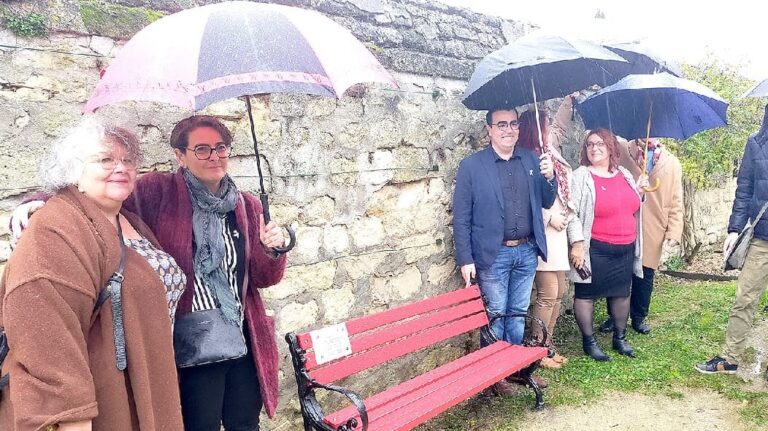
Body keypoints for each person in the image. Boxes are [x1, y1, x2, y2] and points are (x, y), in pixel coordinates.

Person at [11, 115, 288, 430]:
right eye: (201, 149)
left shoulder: (247, 206)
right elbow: (97, 193)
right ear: (180, 156)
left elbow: (263, 278)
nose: (214, 156)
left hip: (242, 338)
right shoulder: (159, 191)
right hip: (191, 346)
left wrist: (272, 249)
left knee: (245, 423)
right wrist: (36, 202)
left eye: (220, 147)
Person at [0, 119, 185, 430]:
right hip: (101, 399)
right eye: (105, 159)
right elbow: (45, 333)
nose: (121, 167)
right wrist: (72, 417)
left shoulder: (129, 221)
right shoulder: (55, 230)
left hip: (148, 380)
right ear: (73, 172)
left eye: (128, 160)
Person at [453, 107, 557, 395]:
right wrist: (465, 258)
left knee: (517, 312)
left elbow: (547, 201)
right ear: (489, 130)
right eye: (501, 124)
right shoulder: (472, 166)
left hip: (526, 251)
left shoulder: (532, 160)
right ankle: (492, 375)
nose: (508, 129)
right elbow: (461, 217)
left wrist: (550, 177)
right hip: (492, 254)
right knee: (496, 314)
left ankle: (513, 369)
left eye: (513, 124)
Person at [696, 105, 768, 374]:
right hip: (761, 237)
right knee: (745, 299)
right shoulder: (756, 142)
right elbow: (745, 189)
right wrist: (734, 230)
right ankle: (730, 358)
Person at [567, 128, 648, 362]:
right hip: (596, 249)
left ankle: (620, 338)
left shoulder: (624, 173)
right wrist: (577, 243)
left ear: (612, 147)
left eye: (600, 143)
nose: (595, 148)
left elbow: (633, 204)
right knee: (586, 294)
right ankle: (589, 342)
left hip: (625, 247)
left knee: (621, 293)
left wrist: (640, 192)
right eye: (590, 144)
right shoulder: (581, 175)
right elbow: (571, 213)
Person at [599, 138, 684, 335]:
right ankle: (614, 315)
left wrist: (673, 231)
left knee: (645, 274)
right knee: (619, 272)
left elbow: (676, 200)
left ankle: (639, 316)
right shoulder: (623, 149)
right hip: (624, 218)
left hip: (653, 225)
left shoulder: (672, 163)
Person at [517, 95, 577, 369]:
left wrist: (569, 102)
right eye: (545, 124)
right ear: (535, 129)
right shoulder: (526, 158)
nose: (550, 128)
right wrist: (548, 217)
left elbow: (561, 128)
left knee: (561, 289)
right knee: (547, 292)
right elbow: (521, 202)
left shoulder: (548, 152)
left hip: (559, 232)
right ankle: (536, 348)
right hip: (542, 232)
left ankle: (547, 344)